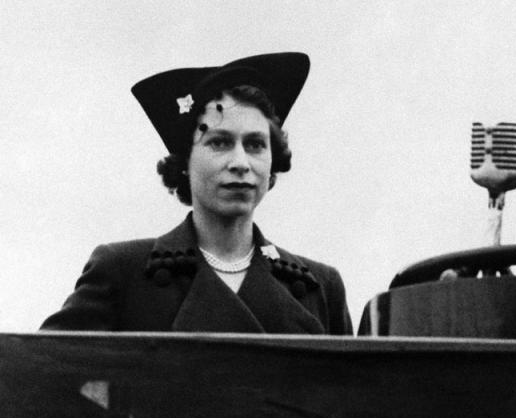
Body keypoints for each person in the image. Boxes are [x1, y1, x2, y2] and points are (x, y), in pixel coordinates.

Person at [41, 52, 352, 335]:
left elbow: (356, 393)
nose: (240, 163)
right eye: (219, 142)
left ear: (273, 162)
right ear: (185, 161)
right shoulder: (125, 272)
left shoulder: (320, 287)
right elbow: (41, 371)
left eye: (255, 144)